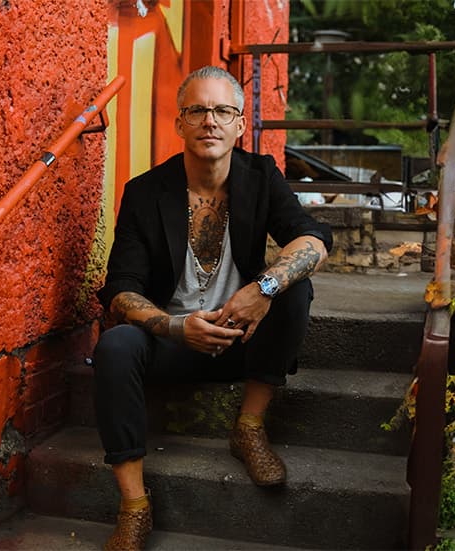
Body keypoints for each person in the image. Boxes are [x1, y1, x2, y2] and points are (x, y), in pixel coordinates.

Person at [91, 66, 331, 550]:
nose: (210, 121)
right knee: (116, 345)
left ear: (240, 125)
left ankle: (248, 427)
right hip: (173, 343)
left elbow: (314, 241)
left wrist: (262, 288)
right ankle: (134, 506)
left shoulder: (261, 175)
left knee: (294, 288)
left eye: (223, 111)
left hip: (242, 336)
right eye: (197, 110)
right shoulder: (144, 192)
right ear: (179, 123)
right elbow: (120, 289)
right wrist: (178, 328)